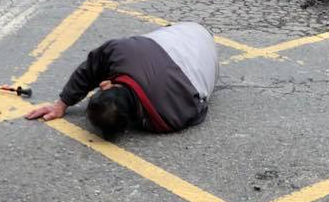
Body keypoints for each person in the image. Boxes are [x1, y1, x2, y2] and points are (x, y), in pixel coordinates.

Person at [25, 21, 219, 138]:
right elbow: (90, 68)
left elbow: (201, 109)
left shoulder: (169, 119)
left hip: (210, 57)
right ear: (105, 85)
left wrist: (62, 104)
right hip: (187, 30)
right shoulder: (119, 52)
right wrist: (62, 104)